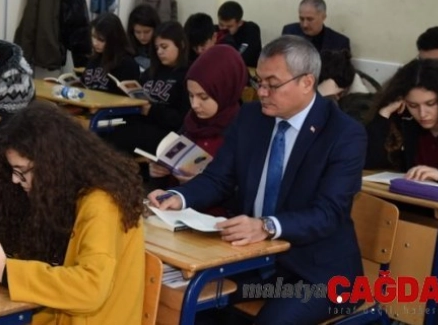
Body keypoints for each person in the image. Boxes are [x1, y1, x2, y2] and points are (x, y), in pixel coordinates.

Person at [148, 35, 365, 324]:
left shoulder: (343, 134)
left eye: (272, 84)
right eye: (259, 82)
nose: (262, 92)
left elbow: (328, 213)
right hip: (255, 260)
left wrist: (266, 226)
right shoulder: (251, 118)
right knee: (182, 300)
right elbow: (218, 178)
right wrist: (178, 197)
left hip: (318, 273)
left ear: (306, 82)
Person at [0, 102, 145, 325]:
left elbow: (91, 289)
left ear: (52, 166)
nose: (15, 180)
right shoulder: (60, 195)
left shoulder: (102, 203)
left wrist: (5, 271)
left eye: (22, 171)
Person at [150, 45, 248, 186]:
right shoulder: (191, 123)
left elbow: (242, 189)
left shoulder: (242, 132)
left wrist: (201, 185)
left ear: (226, 91)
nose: (195, 105)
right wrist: (157, 173)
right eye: (191, 95)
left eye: (204, 97)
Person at [366, 59, 438, 186]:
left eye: (430, 104)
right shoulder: (405, 121)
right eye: (413, 105)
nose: (422, 114)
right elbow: (368, 161)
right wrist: (384, 114)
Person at [105, 21, 190, 155]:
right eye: (157, 48)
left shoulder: (187, 75)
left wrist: (152, 110)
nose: (159, 52)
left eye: (164, 47)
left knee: (118, 139)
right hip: (142, 124)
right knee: (108, 131)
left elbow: (182, 119)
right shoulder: (151, 72)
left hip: (167, 133)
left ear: (181, 44)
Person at [81, 13, 140, 94]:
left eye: (101, 40)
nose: (95, 43)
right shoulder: (94, 59)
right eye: (93, 37)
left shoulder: (127, 64)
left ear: (113, 40)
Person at [282, 0, 350, 53]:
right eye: (301, 19)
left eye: (310, 19)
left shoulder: (339, 42)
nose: (305, 25)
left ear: (323, 17)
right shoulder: (289, 33)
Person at [218, 1, 262, 67]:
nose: (224, 29)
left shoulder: (250, 30)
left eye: (229, 26)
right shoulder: (215, 31)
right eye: (221, 25)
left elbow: (243, 58)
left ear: (240, 23)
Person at [127, 4, 160, 71]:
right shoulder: (127, 45)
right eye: (137, 32)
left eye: (147, 32)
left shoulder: (162, 45)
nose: (142, 37)